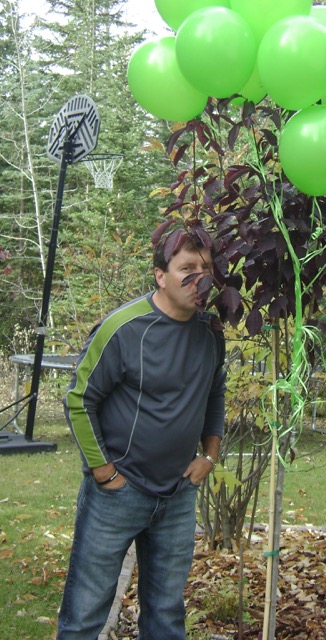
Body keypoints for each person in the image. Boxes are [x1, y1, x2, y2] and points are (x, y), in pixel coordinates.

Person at [56, 228, 226, 640]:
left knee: (166, 615)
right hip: (118, 493)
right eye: (187, 268)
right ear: (160, 276)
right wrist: (104, 473)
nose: (200, 279)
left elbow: (214, 391)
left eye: (206, 269)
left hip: (179, 494)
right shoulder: (123, 328)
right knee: (84, 616)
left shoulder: (211, 332)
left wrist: (209, 455)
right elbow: (79, 400)